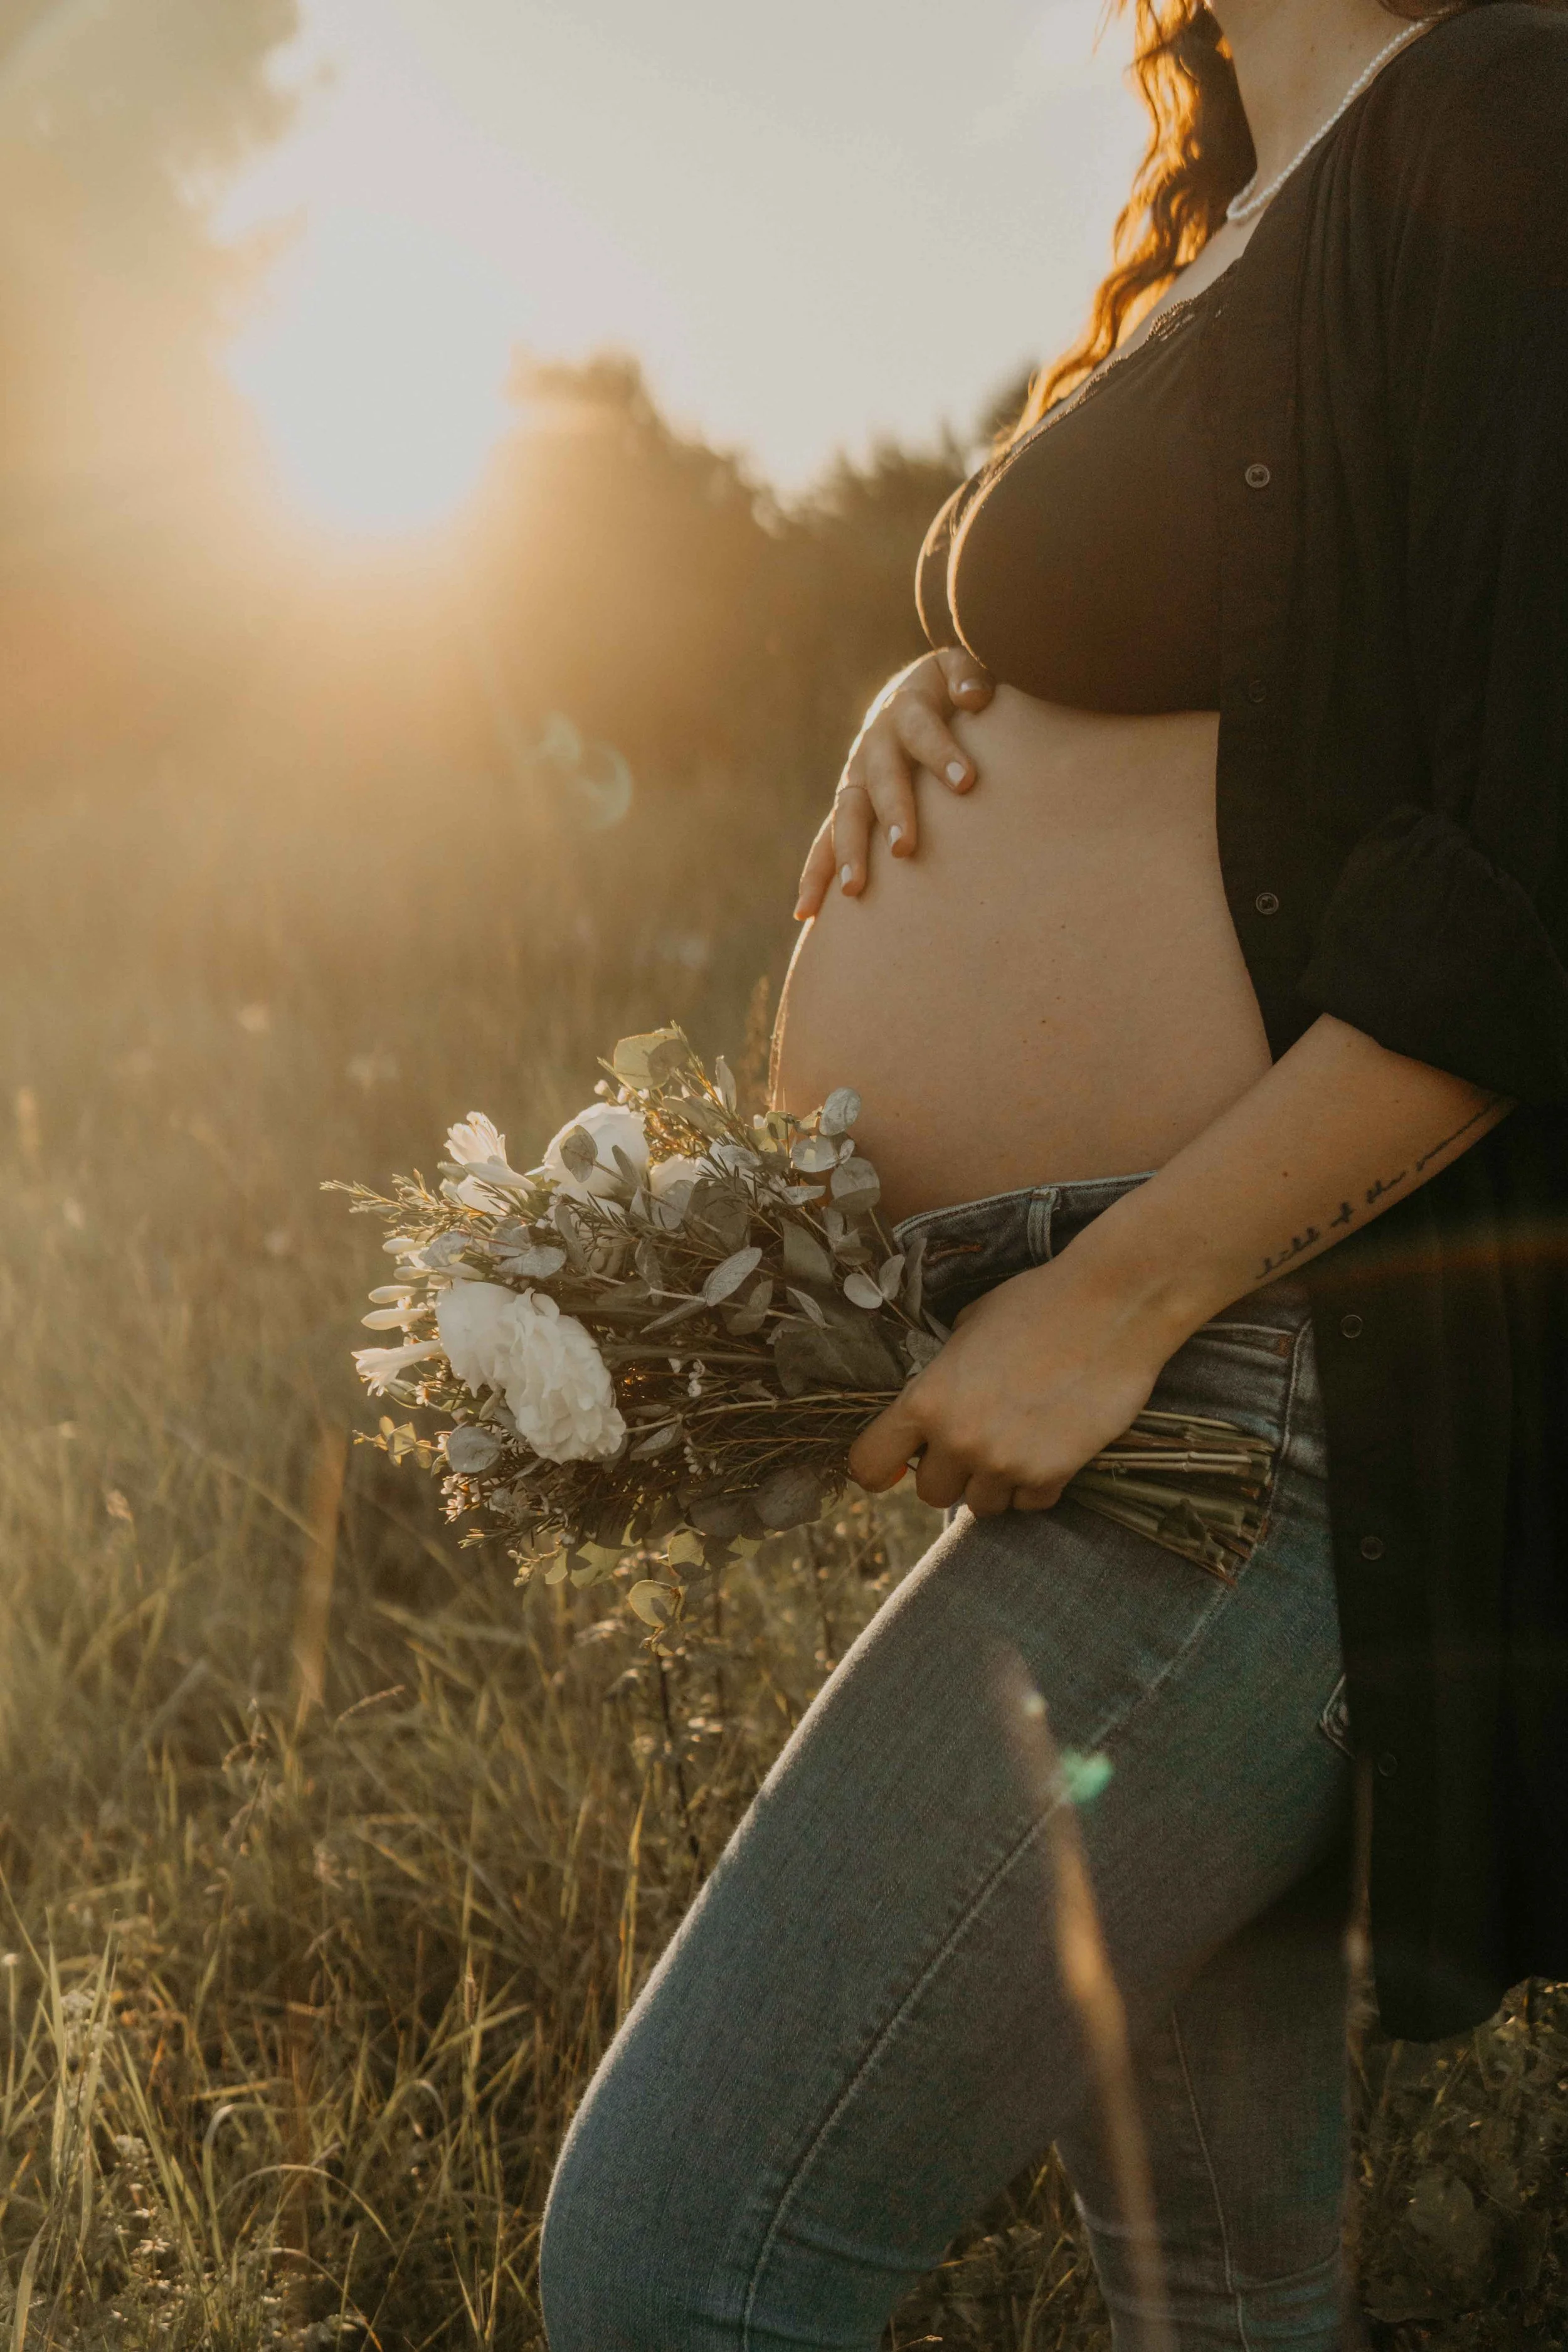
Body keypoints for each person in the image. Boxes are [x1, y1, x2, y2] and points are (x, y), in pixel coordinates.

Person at [539, 0, 1568, 2343]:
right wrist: (951, 686)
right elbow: (1280, 679)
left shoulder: (1503, 108)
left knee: (673, 2256)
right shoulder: (1227, 202)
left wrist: (1113, 1304)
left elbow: (1526, 869)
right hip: (1160, 1365)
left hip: (1255, 1390)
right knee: (1217, 2295)